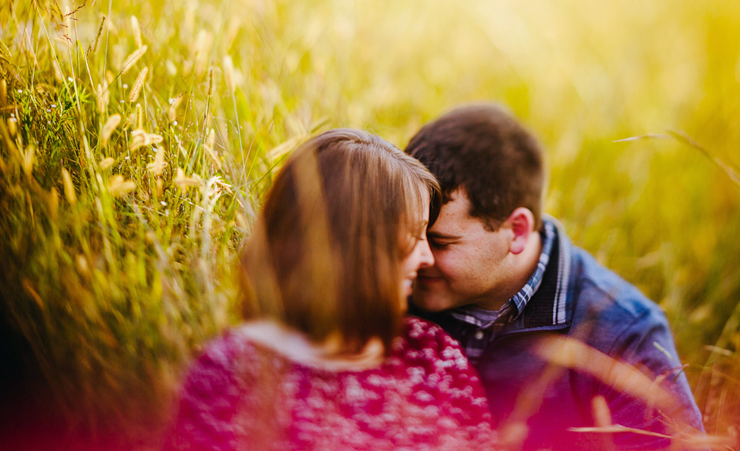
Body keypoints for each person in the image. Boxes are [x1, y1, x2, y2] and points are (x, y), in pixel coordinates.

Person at [165, 129, 496, 450]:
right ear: (357, 244)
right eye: (414, 233)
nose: (426, 257)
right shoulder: (235, 371)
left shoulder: (430, 352)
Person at [405, 103, 705, 451]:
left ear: (516, 231)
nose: (418, 255)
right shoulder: (393, 280)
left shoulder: (623, 330)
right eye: (409, 233)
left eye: (439, 241)